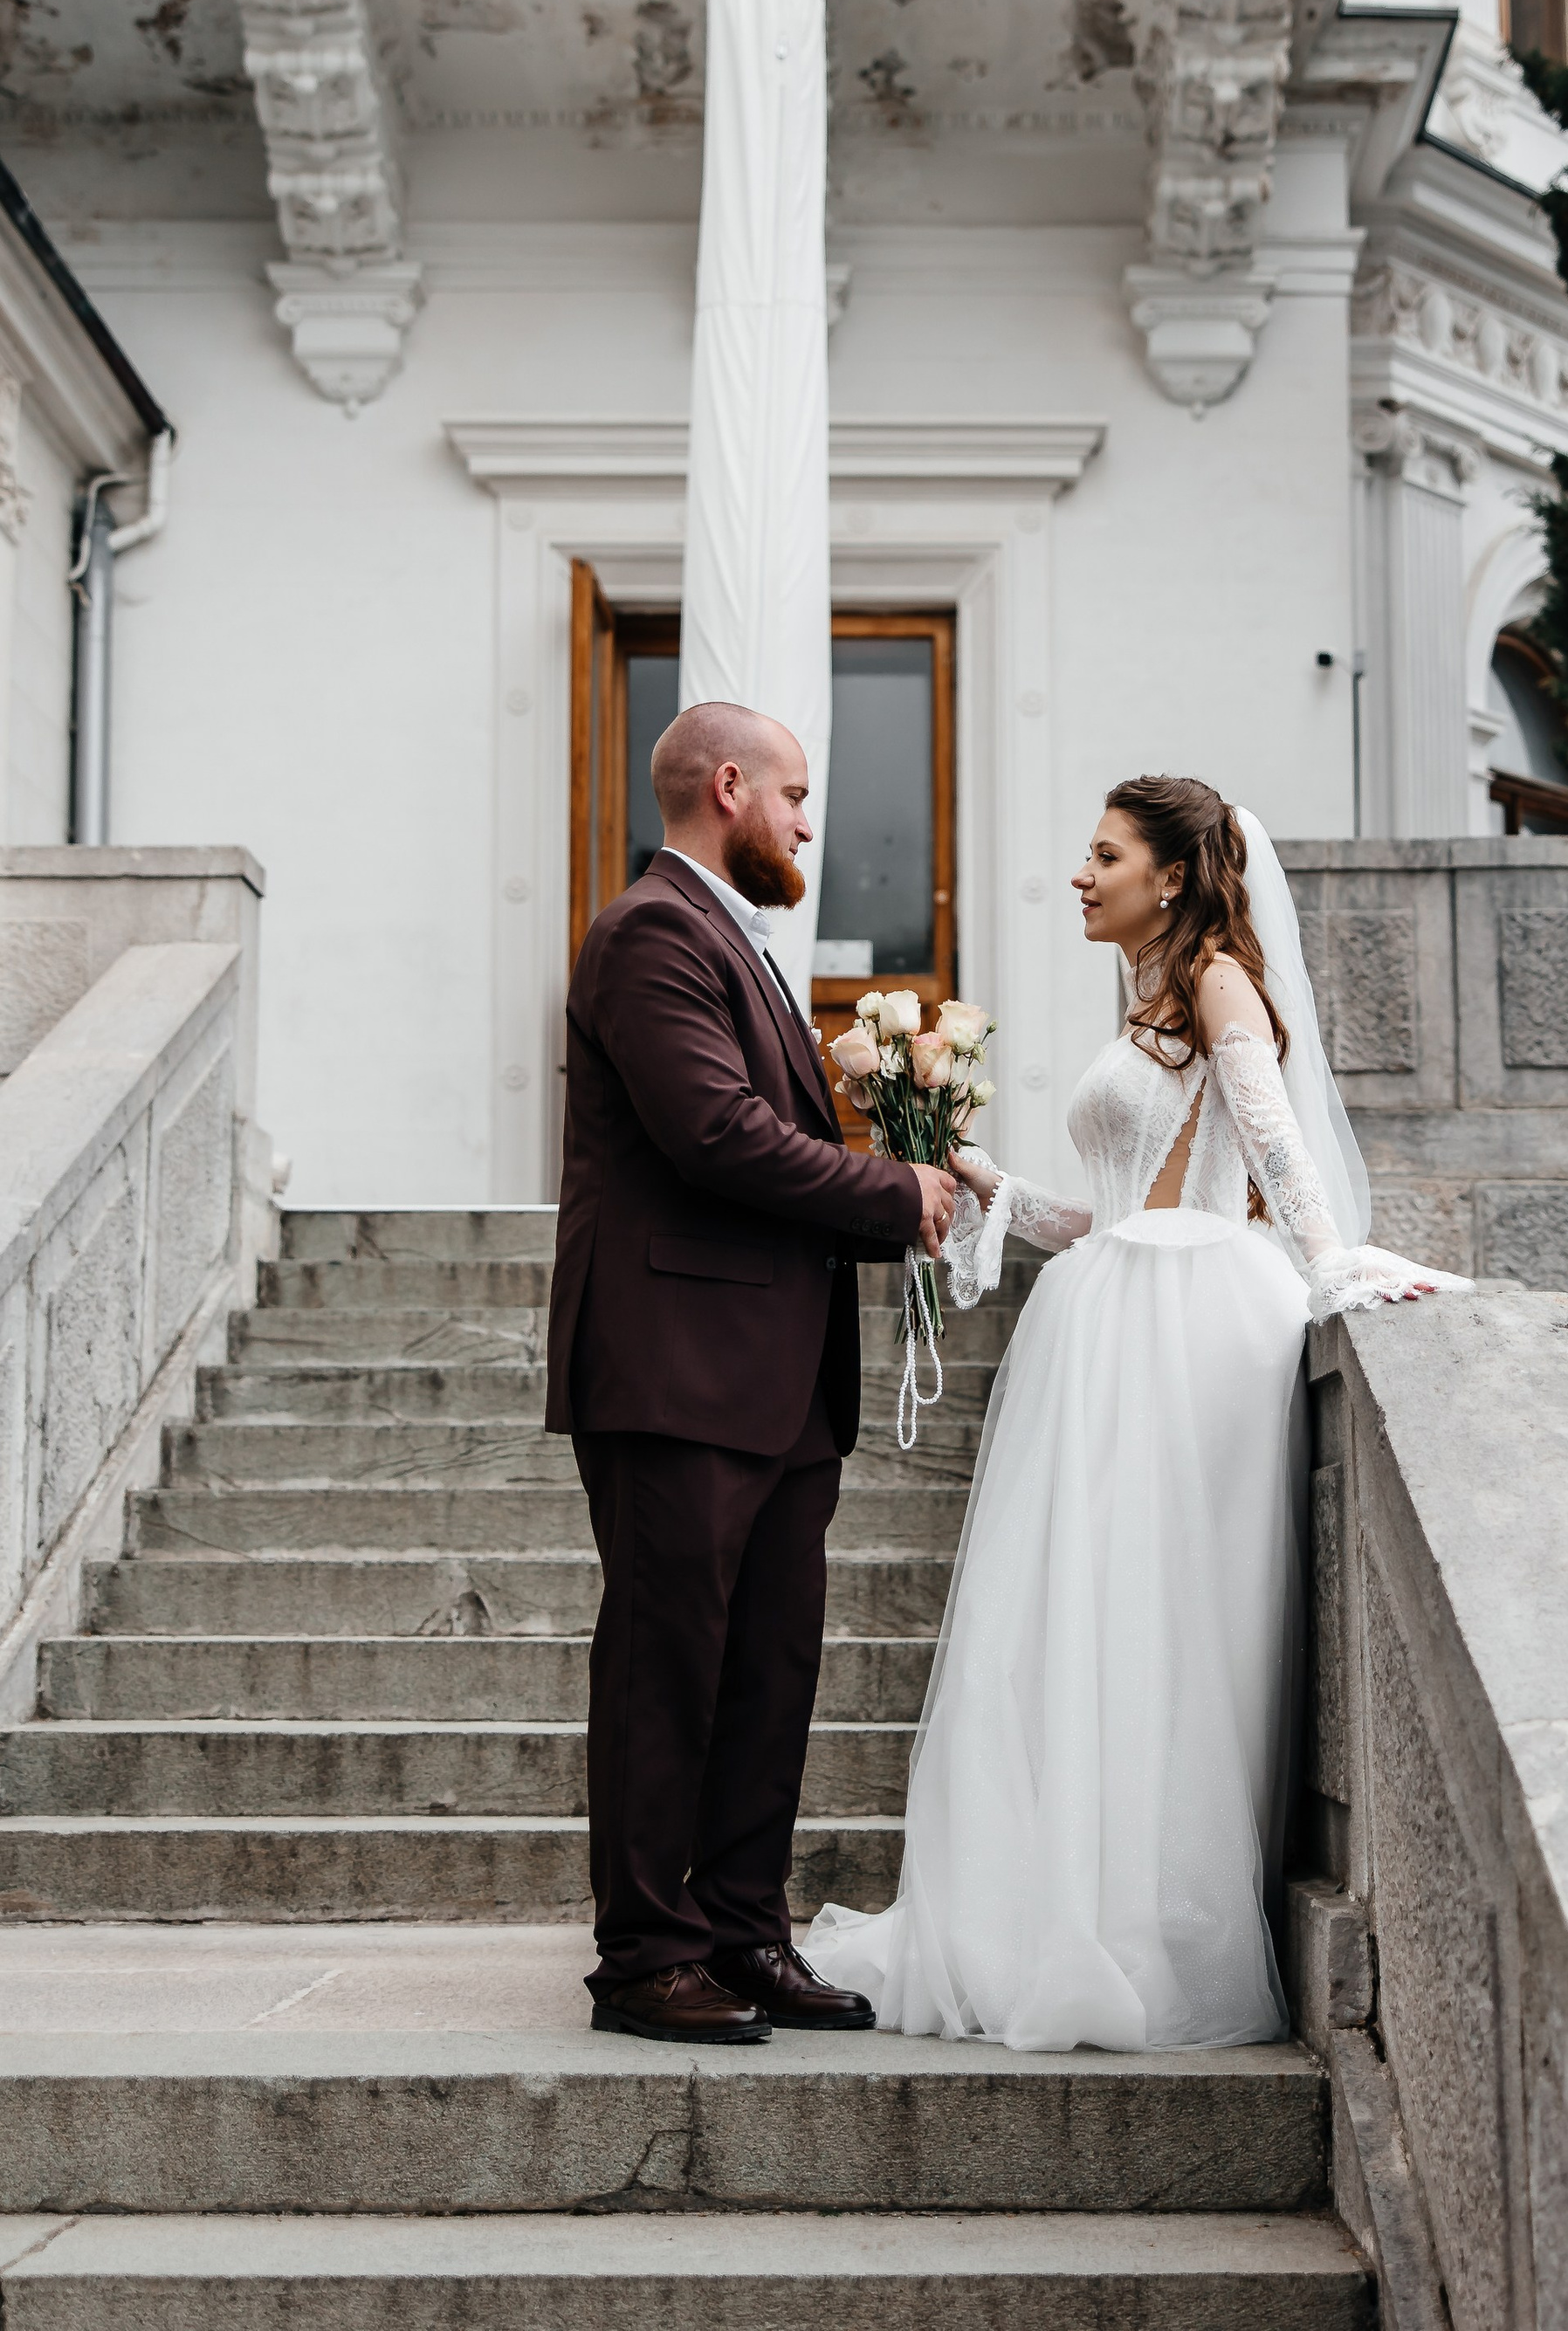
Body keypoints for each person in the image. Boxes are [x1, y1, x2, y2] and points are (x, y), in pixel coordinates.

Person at [805, 773, 1466, 2053]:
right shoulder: (1148, 999)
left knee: (1159, 1621)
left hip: (1187, 1324)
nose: (1080, 873)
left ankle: (1145, 1927)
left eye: (1104, 854)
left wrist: (1333, 1262)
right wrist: (983, 1177)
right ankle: (1065, 1906)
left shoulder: (1218, 982)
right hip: (1112, 1307)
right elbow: (1107, 1216)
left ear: (1171, 876)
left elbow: (1274, 1147)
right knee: (1083, 1620)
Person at [547, 699, 961, 2046]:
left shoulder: (734, 937)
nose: (807, 824)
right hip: (676, 1368)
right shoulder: (652, 932)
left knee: (768, 1671)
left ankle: (742, 1931)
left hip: (775, 1381)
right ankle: (646, 1958)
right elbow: (715, 1133)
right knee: (668, 1666)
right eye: (793, 796)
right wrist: (893, 1189)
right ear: (729, 787)